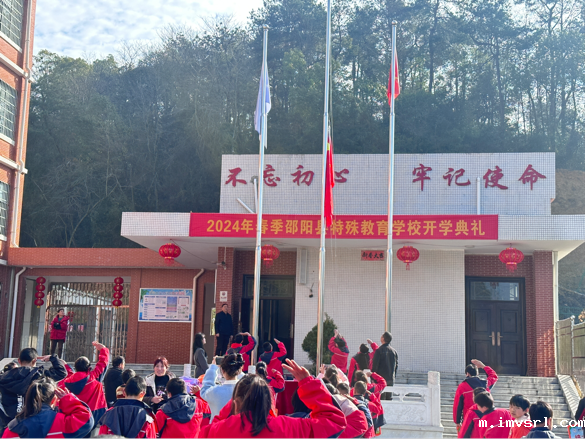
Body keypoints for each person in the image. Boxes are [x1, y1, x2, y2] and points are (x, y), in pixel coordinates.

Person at [199, 359, 347, 438]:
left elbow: (210, 428)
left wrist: (235, 402)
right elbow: (335, 422)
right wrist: (308, 383)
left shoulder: (217, 431)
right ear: (269, 402)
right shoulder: (289, 427)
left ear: (236, 404)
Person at [1, 377, 94, 439]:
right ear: (53, 400)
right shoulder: (63, 423)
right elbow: (87, 419)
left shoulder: (12, 428)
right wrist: (68, 399)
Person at [0, 347, 67, 427]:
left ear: (19, 360)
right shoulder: (39, 375)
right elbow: (61, 372)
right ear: (34, 360)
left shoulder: (4, 377)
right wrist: (53, 358)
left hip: (9, 423)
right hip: (33, 421)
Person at [62, 341, 109, 423]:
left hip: (77, 414)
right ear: (89, 367)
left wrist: (65, 365)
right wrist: (103, 349)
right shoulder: (93, 377)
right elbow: (103, 364)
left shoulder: (68, 381)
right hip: (95, 413)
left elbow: (71, 374)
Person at [452, 359, 498, 429]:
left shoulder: (462, 387)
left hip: (469, 421)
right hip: (485, 420)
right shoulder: (485, 384)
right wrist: (483, 366)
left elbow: (457, 405)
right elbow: (494, 376)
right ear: (477, 374)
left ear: (467, 374)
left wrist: (457, 421)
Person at [200, 354, 244, 421]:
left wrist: (213, 368)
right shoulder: (246, 390)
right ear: (240, 369)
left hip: (217, 426)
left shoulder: (214, 392)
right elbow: (248, 380)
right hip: (240, 426)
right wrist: (239, 371)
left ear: (222, 370)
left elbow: (205, 389)